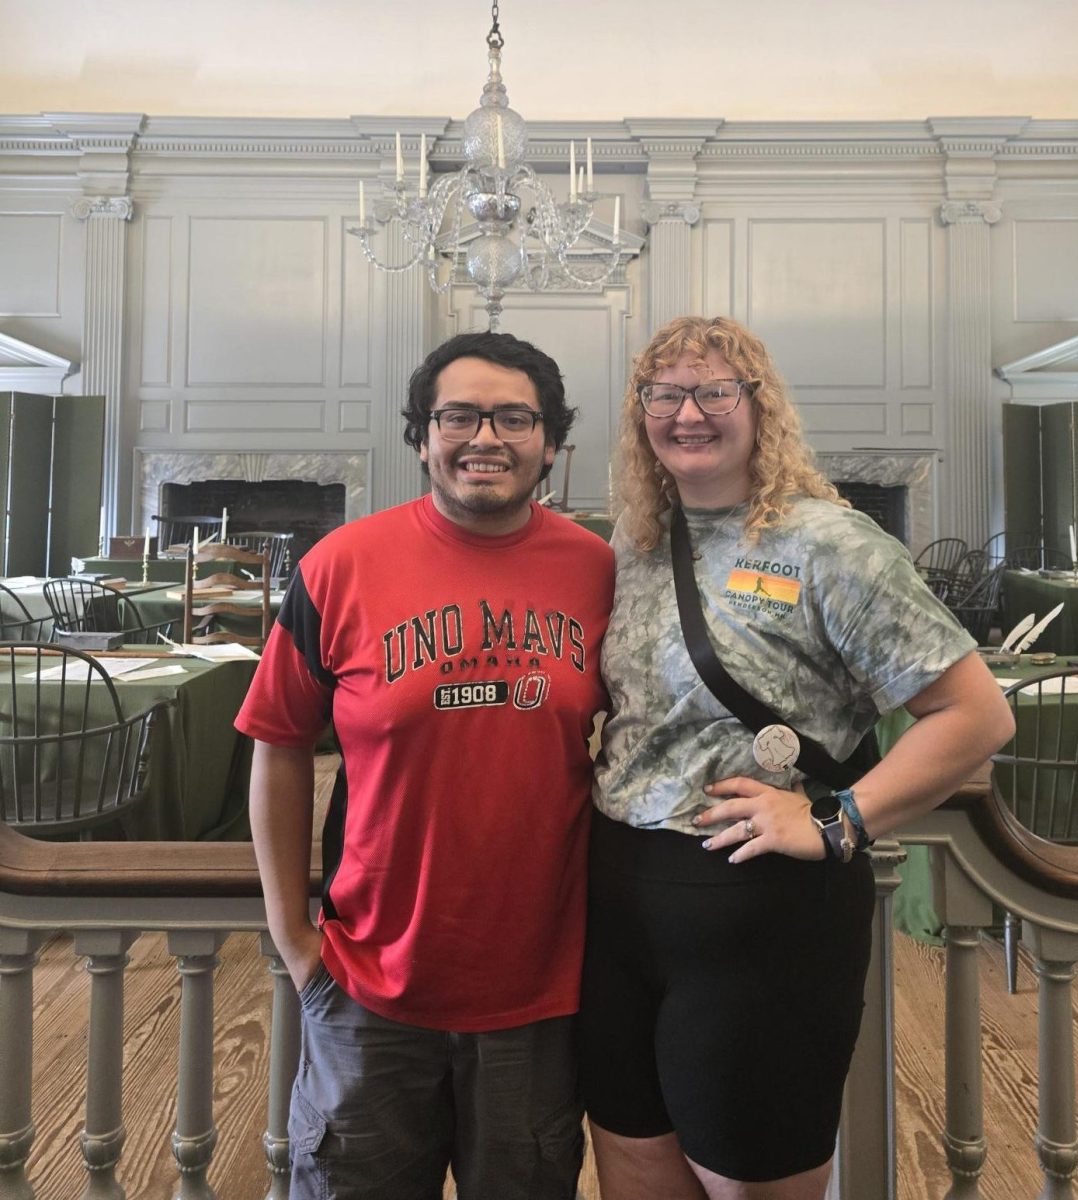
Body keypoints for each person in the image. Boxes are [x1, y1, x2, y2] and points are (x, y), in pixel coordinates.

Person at [581, 315, 1015, 1200]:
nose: (688, 413)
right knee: (629, 1160)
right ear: (641, 415)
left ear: (757, 406)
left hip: (762, 911)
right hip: (618, 900)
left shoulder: (832, 544)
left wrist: (836, 817)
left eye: (713, 392)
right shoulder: (624, 549)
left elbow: (974, 715)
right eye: (664, 394)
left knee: (752, 1182)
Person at [236, 330, 614, 1200]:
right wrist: (293, 938)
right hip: (366, 985)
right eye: (459, 416)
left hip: (542, 988)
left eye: (515, 417)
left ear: (551, 441)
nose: (487, 437)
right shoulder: (339, 567)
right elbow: (279, 743)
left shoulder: (598, 572)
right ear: (421, 435)